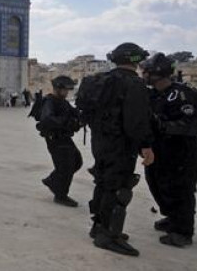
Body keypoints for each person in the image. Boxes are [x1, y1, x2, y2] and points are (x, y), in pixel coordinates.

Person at [80, 42, 154, 257]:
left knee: (103, 182)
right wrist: (145, 145)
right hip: (121, 145)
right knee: (119, 187)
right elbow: (136, 121)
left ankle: (98, 226)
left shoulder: (100, 81)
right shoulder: (134, 84)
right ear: (136, 60)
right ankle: (108, 235)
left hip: (100, 142)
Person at [142, 52, 197, 248]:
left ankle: (183, 231)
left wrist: (165, 126)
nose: (144, 75)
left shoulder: (181, 94)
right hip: (159, 149)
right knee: (157, 184)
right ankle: (172, 217)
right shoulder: (154, 94)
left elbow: (193, 124)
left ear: (157, 74)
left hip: (181, 151)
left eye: (147, 72)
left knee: (181, 189)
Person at [37, 76, 82, 207]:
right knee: (66, 166)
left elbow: (74, 113)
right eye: (65, 90)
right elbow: (48, 119)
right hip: (55, 139)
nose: (67, 92)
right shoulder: (49, 101)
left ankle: (52, 180)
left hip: (64, 137)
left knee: (77, 161)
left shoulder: (63, 101)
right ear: (57, 88)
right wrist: (67, 122)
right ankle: (60, 195)